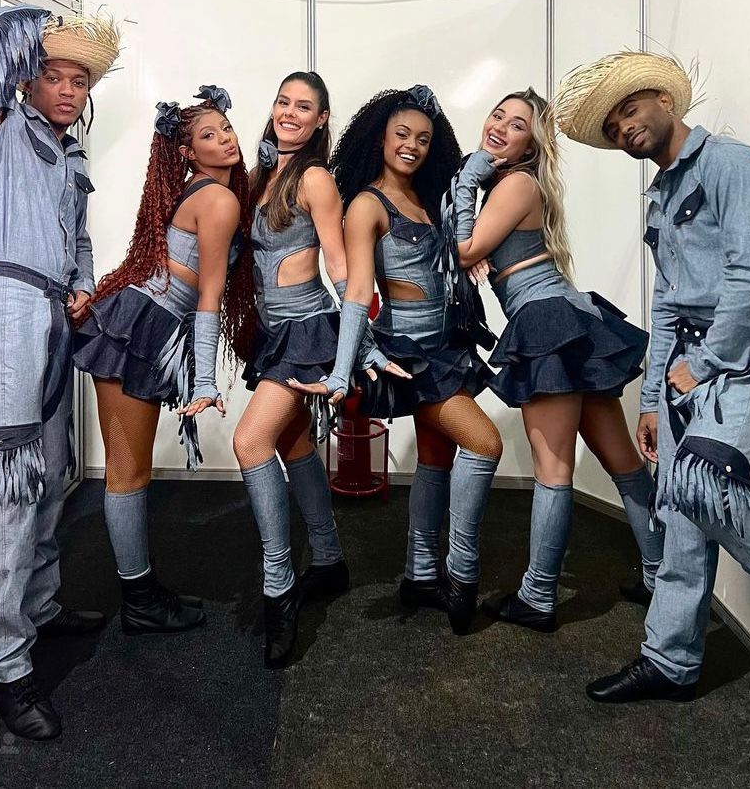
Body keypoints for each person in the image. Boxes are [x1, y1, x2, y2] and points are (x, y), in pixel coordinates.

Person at [555, 50, 750, 702]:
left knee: (698, 479)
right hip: (688, 359)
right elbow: (668, 305)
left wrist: (704, 366)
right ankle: (670, 661)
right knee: (678, 507)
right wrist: (653, 397)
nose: (625, 128)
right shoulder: (660, 195)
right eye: (612, 127)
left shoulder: (732, 163)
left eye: (630, 110)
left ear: (664, 100)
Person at [0, 4, 119, 739]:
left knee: (51, 470)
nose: (67, 90)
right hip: (0, 307)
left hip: (52, 310)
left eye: (79, 81)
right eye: (53, 76)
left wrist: (82, 282)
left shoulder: (69, 154)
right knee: (11, 487)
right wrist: (35, 24)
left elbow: (77, 238)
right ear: (25, 78)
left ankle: (40, 609)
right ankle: (6, 663)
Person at [443, 88, 660, 634]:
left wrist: (468, 179)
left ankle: (538, 596)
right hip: (569, 316)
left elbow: (465, 251)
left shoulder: (514, 184)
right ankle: (663, 576)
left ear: (530, 146)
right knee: (624, 463)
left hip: (546, 321)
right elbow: (473, 250)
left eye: (517, 125)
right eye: (498, 115)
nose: (500, 127)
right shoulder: (512, 186)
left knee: (553, 468)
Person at [291, 85, 502, 635]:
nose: (411, 145)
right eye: (402, 134)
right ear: (380, 138)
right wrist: (343, 372)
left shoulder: (429, 199)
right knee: (485, 443)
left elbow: (462, 251)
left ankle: (421, 574)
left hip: (448, 346)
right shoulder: (367, 205)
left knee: (437, 458)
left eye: (423, 139)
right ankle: (462, 574)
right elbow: (358, 292)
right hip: (410, 356)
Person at [74, 86, 256, 636]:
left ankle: (141, 591)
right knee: (127, 473)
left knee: (129, 471)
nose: (225, 140)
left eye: (226, 128)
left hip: (141, 321)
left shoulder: (208, 190)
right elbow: (209, 296)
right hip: (140, 326)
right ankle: (139, 600)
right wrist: (204, 381)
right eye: (209, 135)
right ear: (186, 152)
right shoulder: (218, 199)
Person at [232, 72, 349, 669]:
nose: (289, 113)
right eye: (283, 101)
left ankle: (279, 589)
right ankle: (329, 560)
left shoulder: (314, 177)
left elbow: (340, 266)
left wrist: (356, 351)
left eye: (304, 106)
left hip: (306, 331)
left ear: (321, 119)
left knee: (250, 441)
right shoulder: (261, 175)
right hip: (272, 333)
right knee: (293, 443)